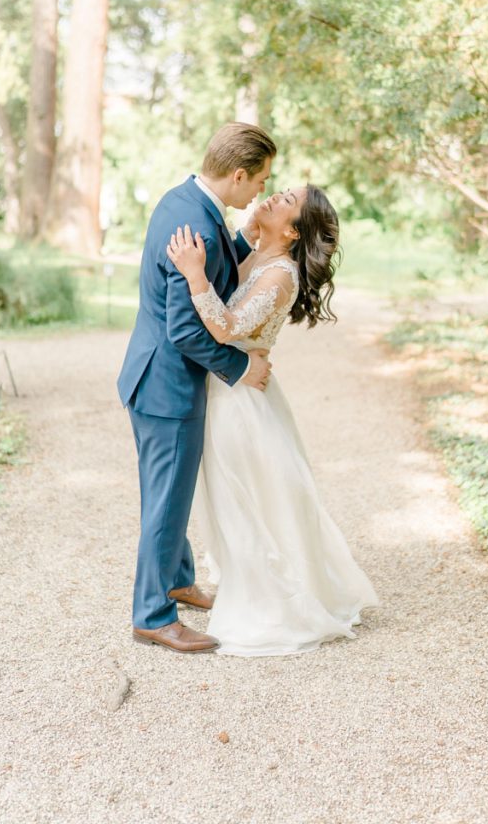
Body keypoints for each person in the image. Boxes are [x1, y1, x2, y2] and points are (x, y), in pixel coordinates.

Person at [166, 183, 380, 656]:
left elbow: (224, 326)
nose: (273, 196)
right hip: (230, 388)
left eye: (285, 200)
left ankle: (270, 602)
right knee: (238, 496)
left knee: (247, 497)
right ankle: (250, 578)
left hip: (241, 399)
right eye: (280, 189)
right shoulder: (262, 255)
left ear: (294, 228)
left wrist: (194, 274)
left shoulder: (281, 274)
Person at [117, 122, 277, 654]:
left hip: (148, 376)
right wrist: (239, 367)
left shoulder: (183, 200)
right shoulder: (199, 225)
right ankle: (153, 616)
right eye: (260, 181)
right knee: (165, 502)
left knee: (170, 494)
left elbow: (205, 275)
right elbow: (186, 329)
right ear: (237, 174)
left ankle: (179, 580)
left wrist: (244, 238)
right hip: (168, 389)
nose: (260, 191)